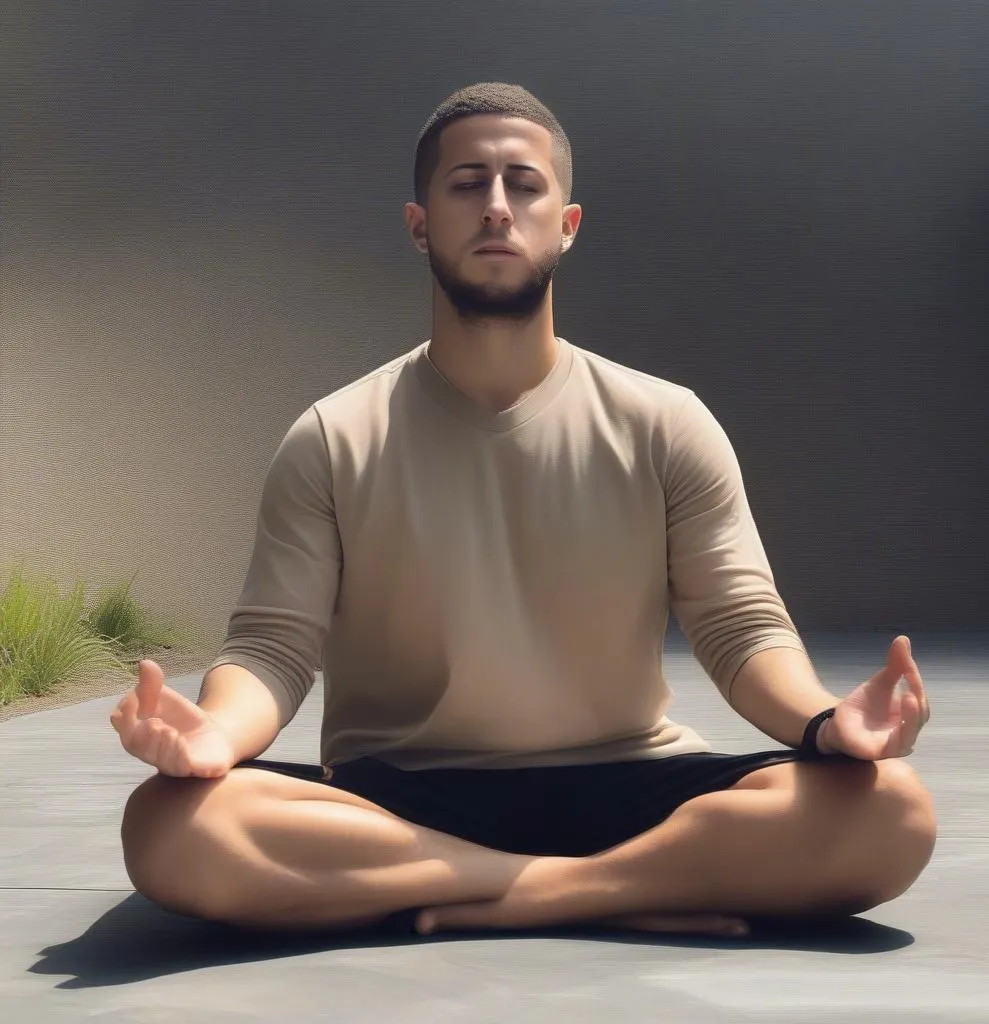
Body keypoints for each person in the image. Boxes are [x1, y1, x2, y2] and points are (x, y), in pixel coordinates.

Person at [110, 82, 936, 939]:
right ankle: (615, 889)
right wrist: (216, 734)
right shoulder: (332, 435)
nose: (498, 208)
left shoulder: (665, 421)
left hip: (629, 780)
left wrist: (824, 723)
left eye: (524, 184)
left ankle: (522, 895)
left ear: (567, 225)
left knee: (892, 813)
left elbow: (740, 625)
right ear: (420, 223)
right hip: (400, 795)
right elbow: (273, 649)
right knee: (171, 826)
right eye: (468, 184)